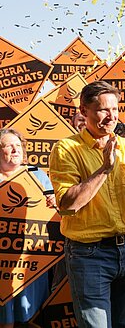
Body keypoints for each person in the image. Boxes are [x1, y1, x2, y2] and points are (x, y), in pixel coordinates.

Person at [49, 81, 125, 328]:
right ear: (84, 111)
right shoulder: (67, 149)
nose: (111, 116)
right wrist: (104, 169)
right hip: (89, 255)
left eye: (115, 109)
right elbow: (67, 205)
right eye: (102, 110)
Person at [0, 128, 56, 328]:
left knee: (28, 316)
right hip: (2, 261)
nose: (15, 150)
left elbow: (54, 211)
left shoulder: (36, 174)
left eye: (18, 145)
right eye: (8, 145)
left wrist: (53, 201)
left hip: (30, 261)